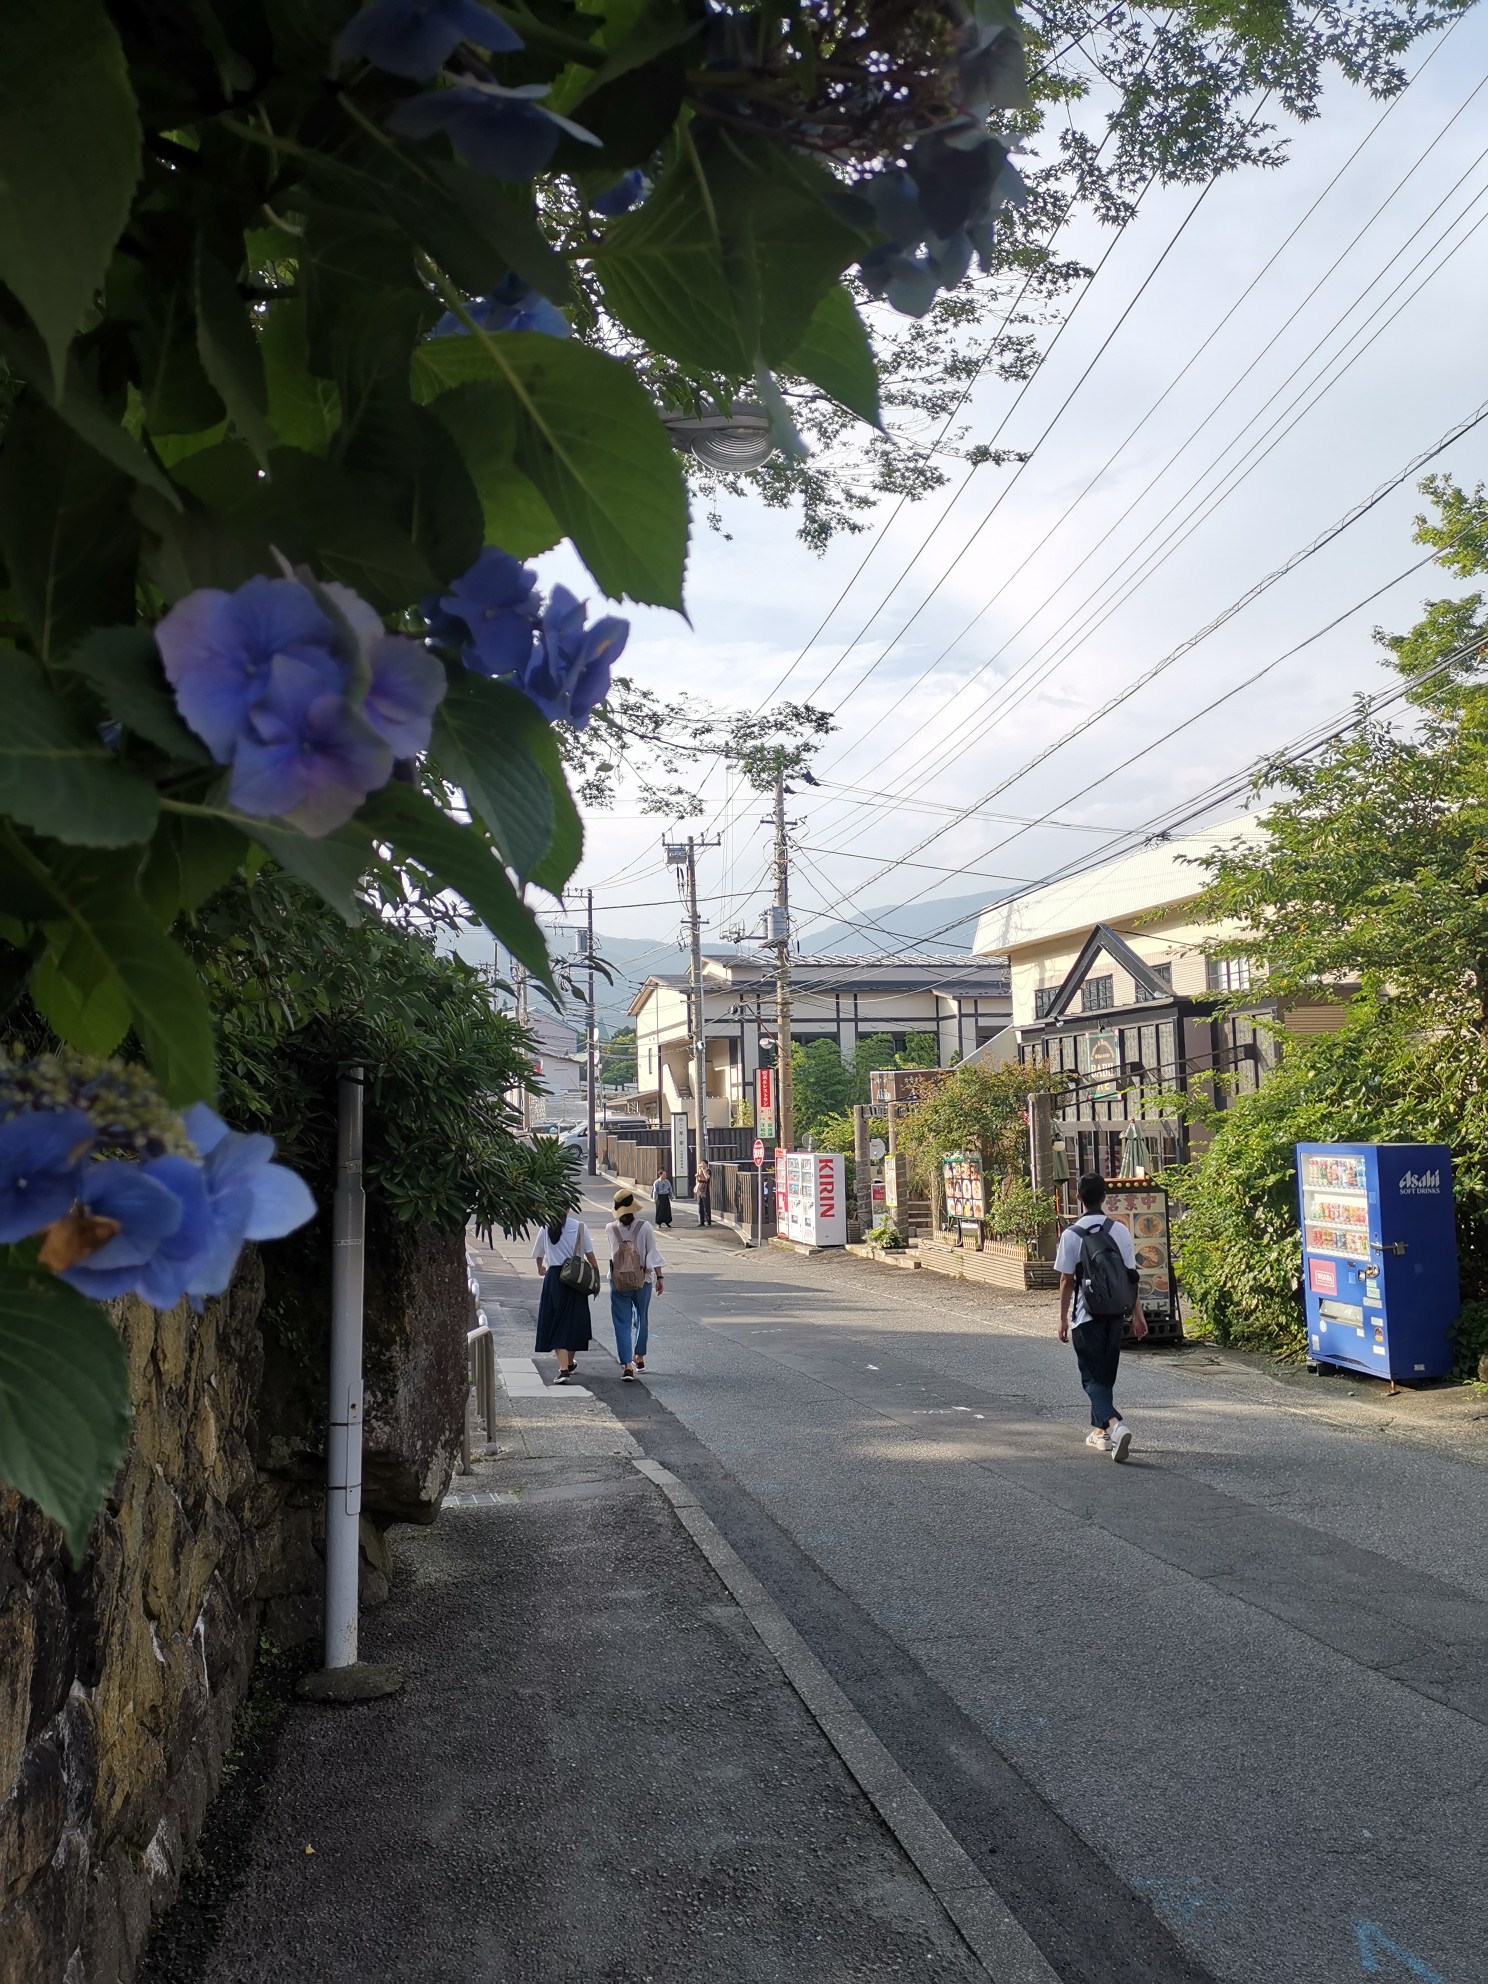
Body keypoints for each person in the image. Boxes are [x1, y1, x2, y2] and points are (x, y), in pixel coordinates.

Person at [1054, 1173, 1148, 1461]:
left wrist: (1061, 1319)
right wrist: (1137, 1315)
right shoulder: (1117, 1230)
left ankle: (1116, 1426)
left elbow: (1066, 1281)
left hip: (1086, 1317)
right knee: (1104, 1376)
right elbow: (1131, 1278)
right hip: (1114, 1315)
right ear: (1105, 1197)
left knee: (1091, 1379)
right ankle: (1101, 1435)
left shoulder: (1071, 1234)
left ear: (1078, 1197)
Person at [530, 1207, 600, 1384]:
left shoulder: (546, 1226)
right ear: (568, 1208)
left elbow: (538, 1253)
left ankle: (565, 1366)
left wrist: (540, 1268)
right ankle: (566, 1366)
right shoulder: (580, 1227)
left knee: (556, 1322)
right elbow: (590, 1255)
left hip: (554, 1279)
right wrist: (596, 1274)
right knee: (573, 1322)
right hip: (575, 1279)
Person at [606, 1188, 665, 1381]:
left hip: (618, 1282)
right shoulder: (645, 1227)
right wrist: (660, 1277)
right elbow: (651, 1254)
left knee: (621, 1323)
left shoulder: (610, 1229)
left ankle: (627, 1365)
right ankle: (639, 1356)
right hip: (642, 1280)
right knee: (642, 1317)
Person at [652, 1160, 673, 1227]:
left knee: (667, 1210)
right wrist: (654, 1199)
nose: (665, 1175)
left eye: (665, 1174)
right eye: (663, 1174)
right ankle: (659, 1223)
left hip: (666, 1196)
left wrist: (671, 1196)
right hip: (660, 1197)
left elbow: (670, 1189)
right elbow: (655, 1191)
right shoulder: (657, 1182)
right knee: (660, 1210)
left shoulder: (667, 1181)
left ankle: (667, 1222)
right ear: (660, 1174)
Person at [695, 1156, 712, 1227]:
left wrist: (703, 1170)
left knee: (706, 1205)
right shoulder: (700, 1170)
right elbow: (699, 1179)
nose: (702, 1165)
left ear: (706, 1164)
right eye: (701, 1163)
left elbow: (707, 1177)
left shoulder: (708, 1170)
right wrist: (697, 1176)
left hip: (705, 1189)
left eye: (703, 1164)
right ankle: (701, 1221)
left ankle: (708, 1221)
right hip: (700, 1188)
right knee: (700, 1205)